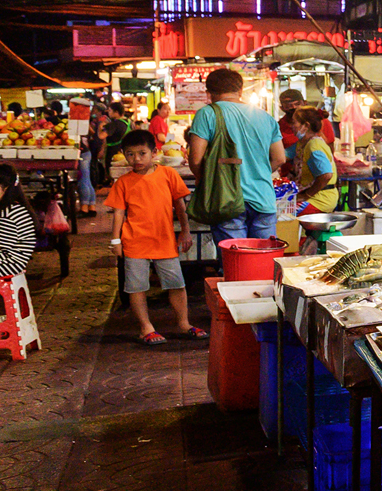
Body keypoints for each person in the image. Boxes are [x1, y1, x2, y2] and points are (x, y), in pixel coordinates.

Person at [104, 130, 194, 344]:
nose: (136, 159)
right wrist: (115, 241)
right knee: (137, 287)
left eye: (142, 153)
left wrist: (185, 230)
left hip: (164, 239)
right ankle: (146, 327)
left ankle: (184, 323)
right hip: (134, 241)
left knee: (176, 283)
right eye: (130, 154)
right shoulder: (123, 182)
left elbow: (180, 206)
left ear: (154, 152)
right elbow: (118, 213)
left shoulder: (168, 174)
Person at [186, 68, 285, 241]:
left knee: (236, 261)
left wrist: (206, 179)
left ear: (209, 93)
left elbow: (195, 159)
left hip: (226, 199)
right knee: (263, 261)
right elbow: (279, 158)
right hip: (263, 199)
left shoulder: (207, 113)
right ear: (240, 91)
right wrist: (257, 173)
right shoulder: (264, 116)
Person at [0, 164, 38, 291]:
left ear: (6, 189)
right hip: (0, 258)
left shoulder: (9, 214)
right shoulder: (5, 209)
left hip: (8, 263)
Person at [290, 107, 339, 215]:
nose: (291, 126)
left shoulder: (314, 146)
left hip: (321, 199)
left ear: (306, 125)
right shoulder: (302, 143)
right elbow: (282, 155)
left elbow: (326, 175)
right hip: (315, 196)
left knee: (283, 215)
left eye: (294, 123)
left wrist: (306, 195)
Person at [277, 89, 335, 163]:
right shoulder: (278, 127)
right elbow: (282, 155)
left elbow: (330, 152)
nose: (294, 107)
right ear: (281, 108)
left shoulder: (321, 122)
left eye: (297, 104)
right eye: (288, 106)